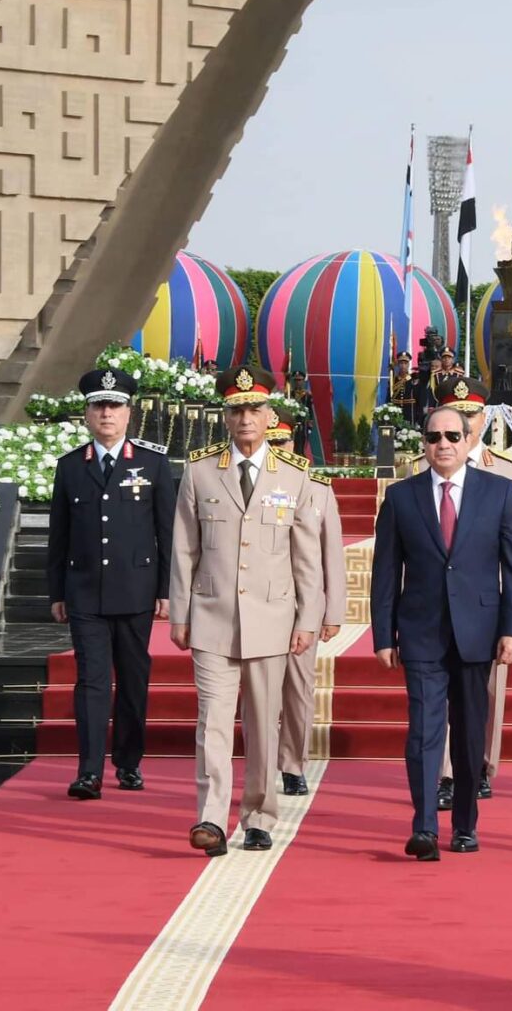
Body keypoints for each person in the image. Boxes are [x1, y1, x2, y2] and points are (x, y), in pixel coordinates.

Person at [169, 365, 322, 857]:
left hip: (272, 619)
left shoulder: (293, 477)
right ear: (225, 417)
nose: (245, 418)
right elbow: (184, 548)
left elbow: (305, 558)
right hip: (212, 618)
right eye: (236, 410)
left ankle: (258, 814)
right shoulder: (199, 471)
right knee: (212, 720)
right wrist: (179, 613)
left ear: (269, 414)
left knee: (263, 722)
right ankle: (211, 818)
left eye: (254, 409)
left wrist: (307, 618)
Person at [371, 406, 512, 861]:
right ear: (424, 442)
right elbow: (385, 573)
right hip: (420, 631)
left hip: (478, 632)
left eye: (451, 436)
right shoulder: (401, 498)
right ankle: (423, 826)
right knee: (422, 731)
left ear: (467, 441)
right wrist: (384, 634)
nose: (443, 444)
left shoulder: (499, 492)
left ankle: (464, 823)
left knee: (466, 733)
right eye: (433, 436)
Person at [405, 376, 512, 806]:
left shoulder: (508, 469)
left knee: (486, 694)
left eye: (471, 413)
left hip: (489, 605)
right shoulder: (420, 466)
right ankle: (445, 774)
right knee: (436, 697)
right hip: (434, 605)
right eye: (454, 412)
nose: (464, 421)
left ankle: (481, 766)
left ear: (484, 418)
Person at [47, 368, 175, 799]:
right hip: (84, 589)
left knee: (134, 680)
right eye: (99, 405)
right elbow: (58, 536)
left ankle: (128, 761)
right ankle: (88, 771)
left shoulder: (153, 463)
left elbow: (167, 532)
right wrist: (57, 593)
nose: (107, 413)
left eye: (115, 406)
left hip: (136, 589)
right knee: (91, 680)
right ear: (87, 414)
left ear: (128, 413)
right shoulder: (70, 467)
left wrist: (166, 591)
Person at [266, 412, 346, 796]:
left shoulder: (318, 488)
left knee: (298, 690)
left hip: (304, 608)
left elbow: (333, 555)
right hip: (261, 606)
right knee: (259, 691)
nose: (278, 450)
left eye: (283, 442)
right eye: (271, 443)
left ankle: (292, 763)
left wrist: (333, 613)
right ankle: (263, 761)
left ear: (294, 446)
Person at [387, 351, 418, 426]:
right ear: (398, 364)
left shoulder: (413, 378)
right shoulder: (393, 379)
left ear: (408, 364)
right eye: (401, 363)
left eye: (405, 363)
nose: (403, 365)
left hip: (409, 412)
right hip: (396, 411)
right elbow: (389, 396)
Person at [291, 370, 313, 456]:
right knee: (293, 440)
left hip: (304, 422)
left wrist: (310, 421)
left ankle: (301, 455)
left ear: (303, 381)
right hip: (292, 421)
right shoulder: (290, 394)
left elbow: (310, 409)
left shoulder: (307, 395)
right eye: (296, 380)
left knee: (302, 440)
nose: (298, 382)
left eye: (300, 380)